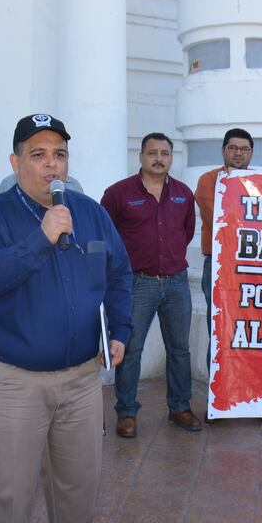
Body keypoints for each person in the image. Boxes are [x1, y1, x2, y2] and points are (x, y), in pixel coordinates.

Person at [0, 113, 133, 523]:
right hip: (10, 381)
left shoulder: (90, 214)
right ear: (15, 163)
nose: (51, 165)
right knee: (8, 500)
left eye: (59, 154)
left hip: (80, 381)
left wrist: (121, 330)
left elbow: (120, 274)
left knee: (78, 496)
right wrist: (41, 237)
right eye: (38, 155)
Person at [102, 133, 199, 439]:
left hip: (176, 284)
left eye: (165, 153)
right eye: (153, 152)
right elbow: (107, 236)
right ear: (141, 156)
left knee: (180, 350)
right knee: (130, 350)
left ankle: (180, 407)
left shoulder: (184, 193)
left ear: (172, 158)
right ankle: (126, 412)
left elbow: (187, 232)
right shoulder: (118, 193)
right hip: (136, 284)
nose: (159, 158)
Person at [195, 128, 254, 367]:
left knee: (250, 329)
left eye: (244, 149)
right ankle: (216, 399)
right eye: (233, 148)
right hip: (219, 265)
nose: (238, 153)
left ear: (251, 153)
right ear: (223, 150)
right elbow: (221, 219)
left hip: (252, 265)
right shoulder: (209, 180)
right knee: (219, 329)